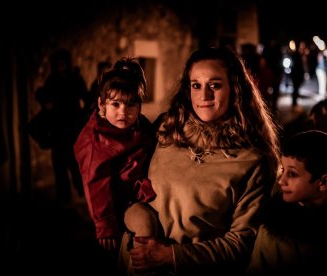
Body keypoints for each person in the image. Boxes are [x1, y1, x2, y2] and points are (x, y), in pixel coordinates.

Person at [119, 46, 281, 275]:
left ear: (235, 90)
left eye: (215, 85)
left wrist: (171, 256)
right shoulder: (166, 129)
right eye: (196, 85)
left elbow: (241, 243)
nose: (204, 96)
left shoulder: (253, 161)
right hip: (134, 267)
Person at [74, 57, 157, 271]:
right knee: (144, 223)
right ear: (102, 105)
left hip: (140, 192)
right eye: (116, 104)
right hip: (120, 205)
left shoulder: (139, 125)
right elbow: (96, 184)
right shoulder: (96, 140)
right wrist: (105, 225)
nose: (123, 112)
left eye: (131, 104)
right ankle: (142, 268)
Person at [246, 130, 327, 275]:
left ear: (323, 182)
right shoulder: (272, 230)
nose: (281, 180)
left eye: (292, 174)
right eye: (282, 170)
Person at [43, 48, 87, 203]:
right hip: (57, 129)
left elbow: (85, 97)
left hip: (73, 128)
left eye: (63, 62)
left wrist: (83, 118)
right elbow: (45, 98)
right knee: (59, 164)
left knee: (75, 163)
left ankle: (83, 193)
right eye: (58, 63)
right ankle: (64, 197)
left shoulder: (75, 78)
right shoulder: (51, 80)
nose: (61, 65)